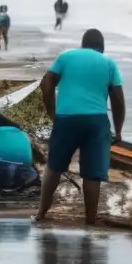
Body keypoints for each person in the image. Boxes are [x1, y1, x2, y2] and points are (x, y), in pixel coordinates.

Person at [36, 28, 125, 225]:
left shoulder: (66, 57)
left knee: (54, 166)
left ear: (83, 44)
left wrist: (52, 110)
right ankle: (90, 219)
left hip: (66, 118)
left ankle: (41, 213)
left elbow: (46, 83)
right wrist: (118, 130)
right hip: (96, 122)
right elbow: (117, 99)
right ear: (102, 47)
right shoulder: (109, 63)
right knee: (92, 173)